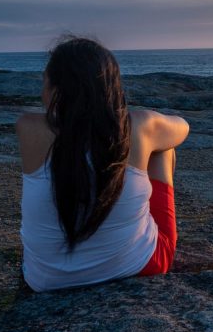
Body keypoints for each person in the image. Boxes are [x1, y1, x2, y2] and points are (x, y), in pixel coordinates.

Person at [15, 36, 189, 292]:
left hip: (45, 280)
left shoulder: (28, 128)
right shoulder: (138, 126)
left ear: (55, 89)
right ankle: (134, 233)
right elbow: (183, 127)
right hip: (138, 265)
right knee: (163, 147)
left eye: (44, 81)